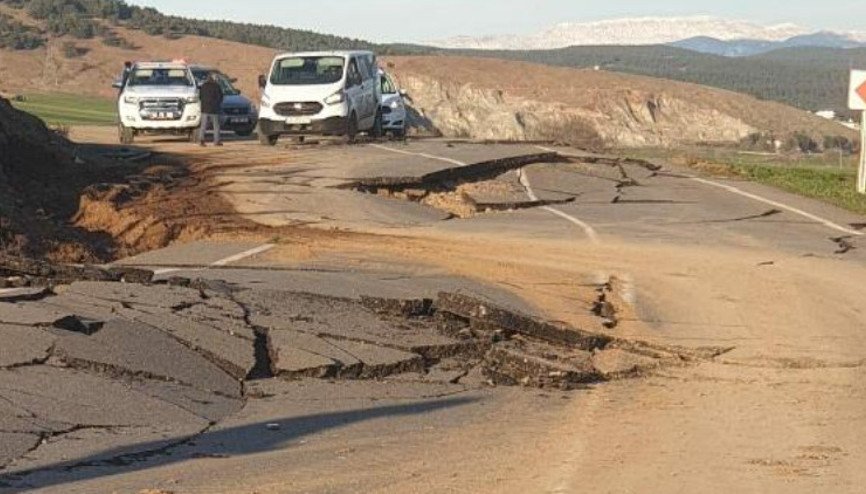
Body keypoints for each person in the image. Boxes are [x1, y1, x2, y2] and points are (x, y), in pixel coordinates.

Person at [198, 73, 224, 146]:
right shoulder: (217, 86)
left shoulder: (203, 86)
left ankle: (201, 140)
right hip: (214, 109)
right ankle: (216, 141)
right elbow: (220, 97)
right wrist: (217, 104)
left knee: (203, 125)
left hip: (204, 109)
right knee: (216, 126)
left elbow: (200, 97)